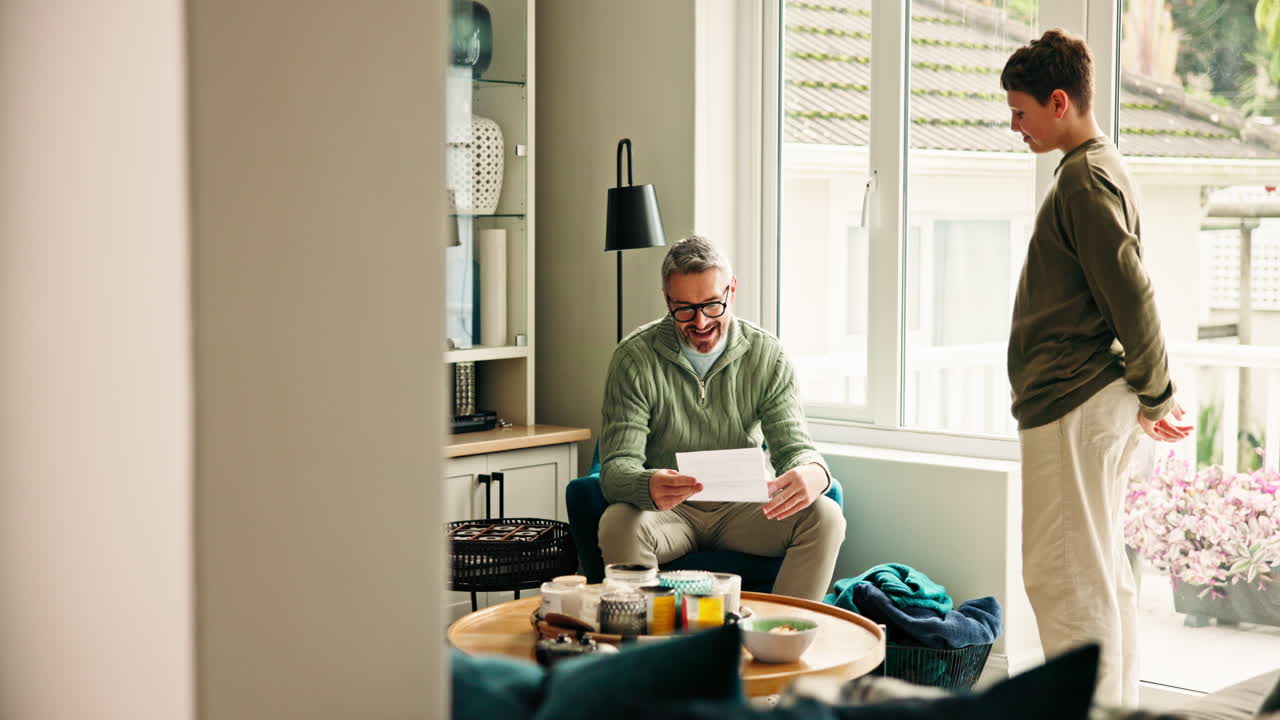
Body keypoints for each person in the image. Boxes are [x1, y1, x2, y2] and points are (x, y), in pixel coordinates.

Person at [1002, 30, 1193, 705]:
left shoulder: (1084, 177)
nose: (1014, 125)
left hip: (1070, 401)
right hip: (1086, 400)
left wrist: (1158, 392)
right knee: (1098, 577)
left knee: (1065, 581)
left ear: (1060, 102)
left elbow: (1130, 290)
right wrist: (1151, 393)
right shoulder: (1098, 167)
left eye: (1021, 111)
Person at [597, 235, 845, 601]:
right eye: (684, 309)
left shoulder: (767, 356)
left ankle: (780, 637)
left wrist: (815, 473)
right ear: (667, 300)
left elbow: (796, 448)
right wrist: (645, 484)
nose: (700, 322)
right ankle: (651, 646)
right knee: (617, 523)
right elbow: (615, 469)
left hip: (746, 509)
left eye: (712, 304)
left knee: (826, 517)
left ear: (732, 289)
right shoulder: (634, 359)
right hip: (668, 512)